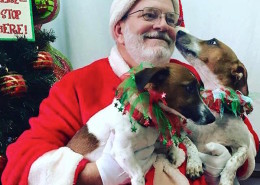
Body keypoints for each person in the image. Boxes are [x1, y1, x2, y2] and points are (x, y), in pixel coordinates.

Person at [1, 0, 258, 184]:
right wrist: (98, 175)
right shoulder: (77, 84)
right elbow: (22, 165)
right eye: (149, 15)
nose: (163, 25)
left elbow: (243, 134)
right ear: (119, 29)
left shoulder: (189, 77)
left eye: (170, 19)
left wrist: (226, 161)